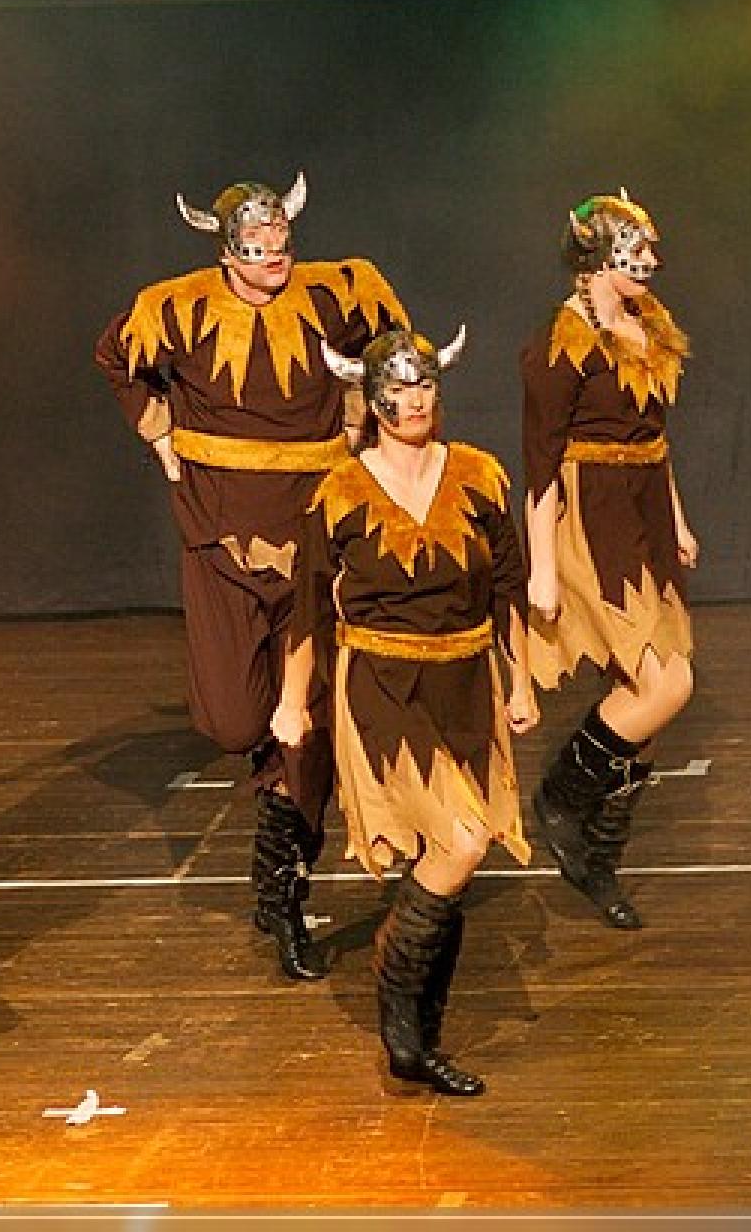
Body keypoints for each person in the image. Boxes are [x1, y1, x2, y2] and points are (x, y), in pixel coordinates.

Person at [94, 175, 406, 980]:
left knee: (307, 728)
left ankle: (284, 894)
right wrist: (159, 434)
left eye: (282, 245)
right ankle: (276, 764)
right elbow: (115, 357)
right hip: (220, 535)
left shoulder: (337, 293)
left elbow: (391, 351)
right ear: (226, 250)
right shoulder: (179, 308)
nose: (274, 258)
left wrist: (357, 422)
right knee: (239, 723)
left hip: (314, 533)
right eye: (256, 248)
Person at [273, 324, 537, 1095]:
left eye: (424, 387)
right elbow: (308, 609)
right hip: (383, 687)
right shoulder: (341, 493)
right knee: (461, 840)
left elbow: (508, 588)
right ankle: (396, 976)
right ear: (373, 400)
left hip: (466, 682)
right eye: (398, 390)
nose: (414, 401)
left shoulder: (479, 476)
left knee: (454, 853)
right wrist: (292, 702)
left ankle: (418, 1040)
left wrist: (521, 682)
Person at [521, 191, 697, 930]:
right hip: (590, 521)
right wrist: (541, 566)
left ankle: (599, 854)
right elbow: (539, 463)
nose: (650, 261)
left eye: (651, 247)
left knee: (648, 700)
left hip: (644, 513)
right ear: (596, 257)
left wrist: (677, 519)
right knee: (668, 683)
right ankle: (562, 795)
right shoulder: (560, 346)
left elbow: (655, 438)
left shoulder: (648, 331)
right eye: (636, 249)